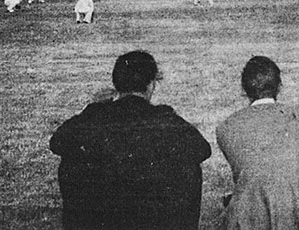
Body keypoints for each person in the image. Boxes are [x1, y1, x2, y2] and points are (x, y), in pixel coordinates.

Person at [50, 50, 211, 230]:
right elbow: (202, 149)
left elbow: (58, 141)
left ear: (116, 84)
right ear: (150, 85)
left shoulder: (94, 116)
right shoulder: (165, 119)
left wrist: (89, 109)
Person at [217, 56, 299, 230]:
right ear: (279, 86)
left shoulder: (226, 127)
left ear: (244, 89)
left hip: (251, 217)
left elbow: (247, 177)